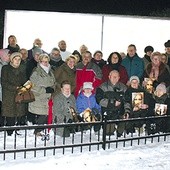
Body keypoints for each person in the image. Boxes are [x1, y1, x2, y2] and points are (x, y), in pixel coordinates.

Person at [28, 53, 56, 136]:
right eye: (43, 62)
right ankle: (37, 131)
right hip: (39, 97)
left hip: (48, 97)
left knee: (46, 113)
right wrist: (44, 90)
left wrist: (53, 88)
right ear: (40, 61)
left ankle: (40, 130)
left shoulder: (50, 71)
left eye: (47, 61)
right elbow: (32, 86)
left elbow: (54, 82)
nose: (45, 63)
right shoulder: (36, 72)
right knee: (42, 114)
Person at [96, 70, 129, 137]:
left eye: (116, 77)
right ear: (109, 76)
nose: (115, 78)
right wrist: (113, 103)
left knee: (120, 134)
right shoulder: (102, 87)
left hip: (120, 112)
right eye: (113, 76)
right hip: (108, 112)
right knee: (108, 133)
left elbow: (127, 101)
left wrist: (127, 112)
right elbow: (99, 100)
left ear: (119, 77)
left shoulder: (124, 87)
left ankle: (120, 129)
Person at [1, 52, 27, 135]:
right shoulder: (5, 68)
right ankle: (10, 132)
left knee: (19, 112)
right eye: (15, 59)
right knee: (10, 114)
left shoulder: (22, 69)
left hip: (19, 94)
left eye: (19, 59)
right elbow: (4, 82)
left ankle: (18, 130)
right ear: (11, 60)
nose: (17, 61)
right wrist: (15, 87)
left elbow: (25, 81)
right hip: (9, 95)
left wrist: (24, 88)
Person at [0, 49, 10, 126]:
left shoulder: (8, 65)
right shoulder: (1, 66)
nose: (9, 56)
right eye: (8, 55)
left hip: (6, 92)